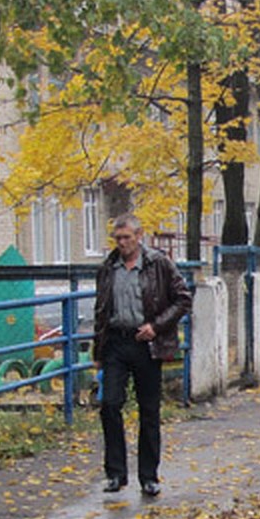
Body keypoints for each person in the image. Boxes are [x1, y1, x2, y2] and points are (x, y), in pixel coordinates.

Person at [93, 213, 192, 497]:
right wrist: (97, 351)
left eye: (126, 237)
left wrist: (156, 327)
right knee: (110, 405)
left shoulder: (157, 264)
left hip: (146, 344)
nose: (122, 243)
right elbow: (100, 311)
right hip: (115, 342)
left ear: (139, 236)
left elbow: (182, 298)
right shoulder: (109, 267)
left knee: (149, 411)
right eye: (118, 238)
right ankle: (115, 474)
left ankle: (148, 476)